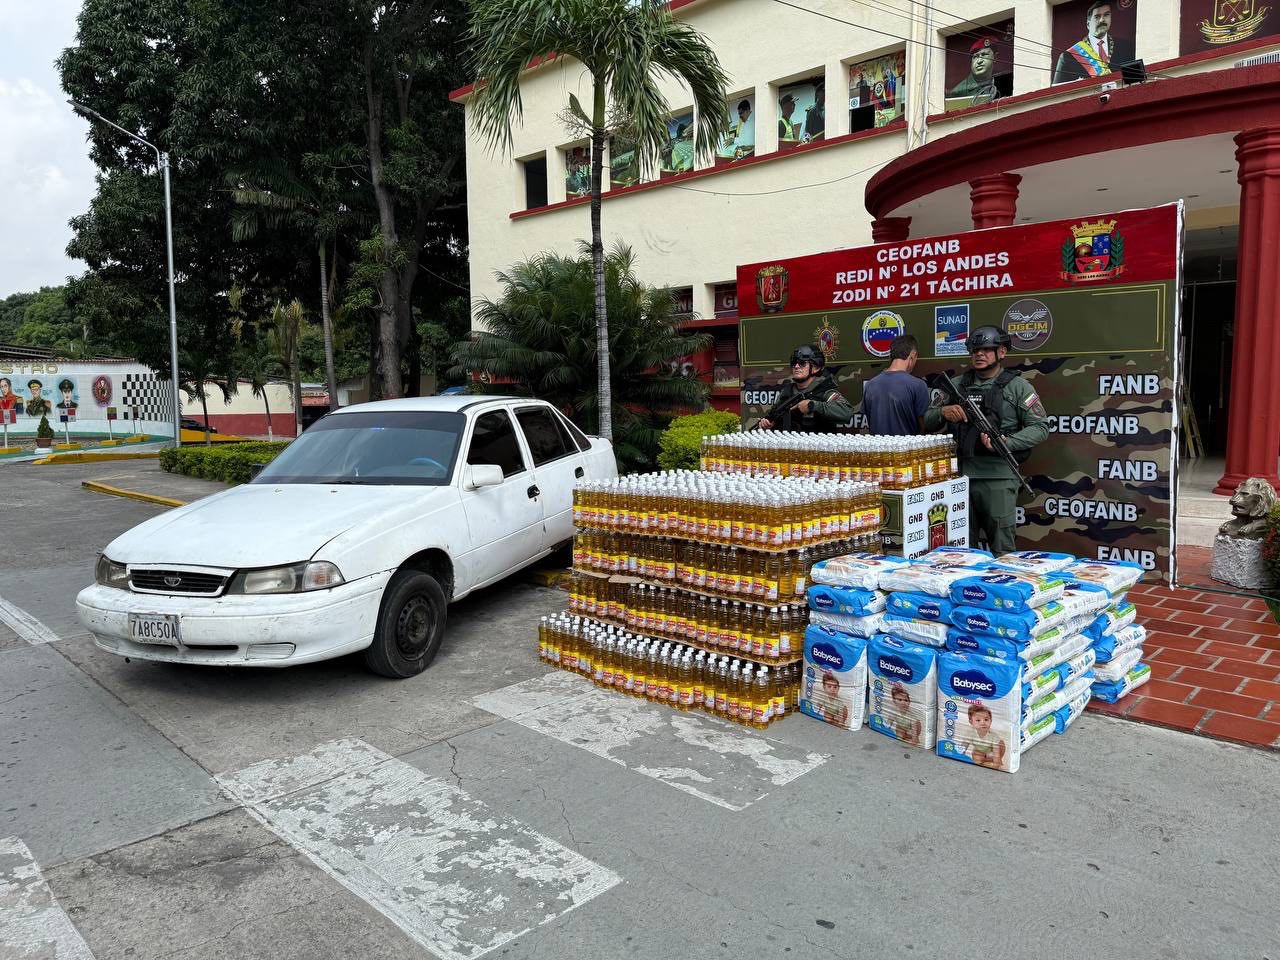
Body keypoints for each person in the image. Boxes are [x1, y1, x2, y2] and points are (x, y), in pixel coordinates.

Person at [923, 326, 1049, 554]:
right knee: (961, 552)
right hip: (959, 478)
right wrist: (943, 412)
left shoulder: (1017, 386)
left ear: (1002, 352)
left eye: (986, 350)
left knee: (1003, 550)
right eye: (975, 350)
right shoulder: (956, 385)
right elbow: (927, 420)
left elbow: (1040, 427)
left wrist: (1007, 442)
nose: (979, 354)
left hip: (998, 478)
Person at [758, 344, 854, 432]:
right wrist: (769, 424)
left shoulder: (824, 392)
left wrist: (812, 406)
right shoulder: (786, 393)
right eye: (794, 362)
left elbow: (846, 412)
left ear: (815, 367)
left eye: (802, 363)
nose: (796, 366)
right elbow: (776, 418)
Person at [861, 334, 929, 435]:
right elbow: (923, 426)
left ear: (891, 356)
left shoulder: (870, 385)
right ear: (913, 356)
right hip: (907, 449)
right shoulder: (918, 385)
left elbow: (870, 420)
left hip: (878, 450)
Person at [1053, 2, 1134, 84]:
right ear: (1088, 24)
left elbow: (1136, 79)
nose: (1102, 20)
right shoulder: (1068, 57)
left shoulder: (1126, 47)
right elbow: (1056, 92)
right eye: (1097, 17)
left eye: (1106, 15)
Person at [948, 36, 1002, 103]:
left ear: (995, 57)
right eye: (975, 57)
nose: (979, 61)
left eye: (984, 55)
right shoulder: (958, 91)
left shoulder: (1002, 79)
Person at [966, 703, 1005, 768]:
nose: (983, 723)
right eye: (978, 720)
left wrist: (996, 763)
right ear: (971, 722)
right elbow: (963, 746)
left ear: (991, 721)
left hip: (993, 750)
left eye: (986, 719)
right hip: (981, 749)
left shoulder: (993, 736)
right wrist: (959, 754)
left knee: (996, 751)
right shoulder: (970, 733)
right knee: (975, 756)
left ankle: (990, 760)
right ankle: (984, 760)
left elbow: (996, 753)